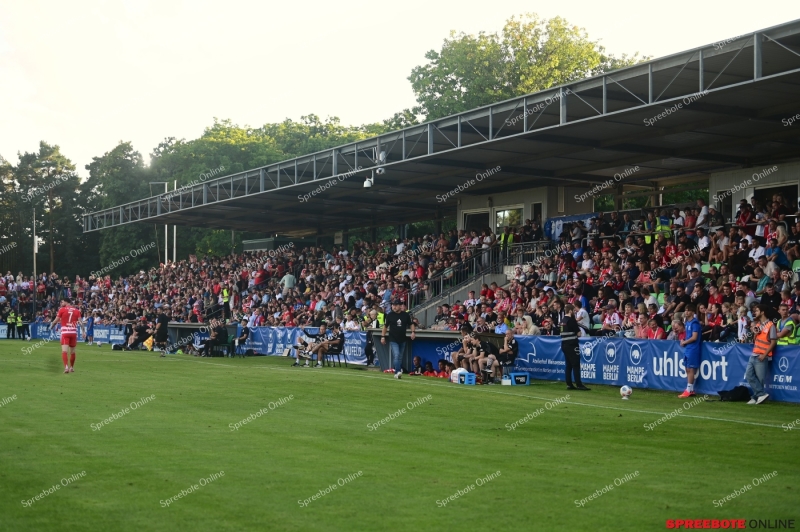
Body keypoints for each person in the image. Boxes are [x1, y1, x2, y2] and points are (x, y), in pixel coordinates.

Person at [747, 304, 776, 404]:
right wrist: (755, 333)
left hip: (762, 356)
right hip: (754, 353)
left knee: (760, 379)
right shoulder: (758, 325)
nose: (755, 313)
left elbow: (773, 342)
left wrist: (765, 355)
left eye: (757, 310)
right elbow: (755, 340)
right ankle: (759, 395)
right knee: (748, 375)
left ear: (762, 312)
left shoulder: (771, 325)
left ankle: (756, 397)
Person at [381, 299, 415, 379]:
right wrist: (383, 336)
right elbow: (385, 326)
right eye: (393, 305)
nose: (394, 307)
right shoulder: (390, 315)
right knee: (396, 355)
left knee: (400, 357)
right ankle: (398, 371)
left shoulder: (405, 315)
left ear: (400, 306)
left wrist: (413, 332)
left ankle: (396, 373)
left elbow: (411, 324)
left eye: (396, 305)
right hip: (393, 338)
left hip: (402, 338)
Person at [50, 299, 85, 374]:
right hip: (73, 332)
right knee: (72, 352)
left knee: (64, 351)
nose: (61, 303)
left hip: (65, 332)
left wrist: (51, 326)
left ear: (67, 302)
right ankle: (71, 368)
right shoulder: (77, 311)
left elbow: (56, 320)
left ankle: (66, 367)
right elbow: (81, 322)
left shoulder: (62, 309)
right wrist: (83, 331)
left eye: (62, 302)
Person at [562, 304, 589, 390]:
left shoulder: (562, 321)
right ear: (570, 311)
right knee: (576, 365)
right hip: (572, 345)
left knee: (568, 365)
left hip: (564, 344)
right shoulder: (571, 320)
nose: (575, 312)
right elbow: (579, 333)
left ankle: (569, 384)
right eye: (573, 311)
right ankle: (579, 384)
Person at [679, 304, 702, 398]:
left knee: (690, 369)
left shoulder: (695, 323)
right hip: (688, 348)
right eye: (685, 310)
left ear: (692, 312)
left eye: (688, 310)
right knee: (687, 368)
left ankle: (688, 389)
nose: (686, 312)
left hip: (693, 348)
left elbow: (694, 337)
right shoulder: (687, 323)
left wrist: (685, 342)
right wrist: (683, 340)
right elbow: (689, 336)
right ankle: (691, 390)